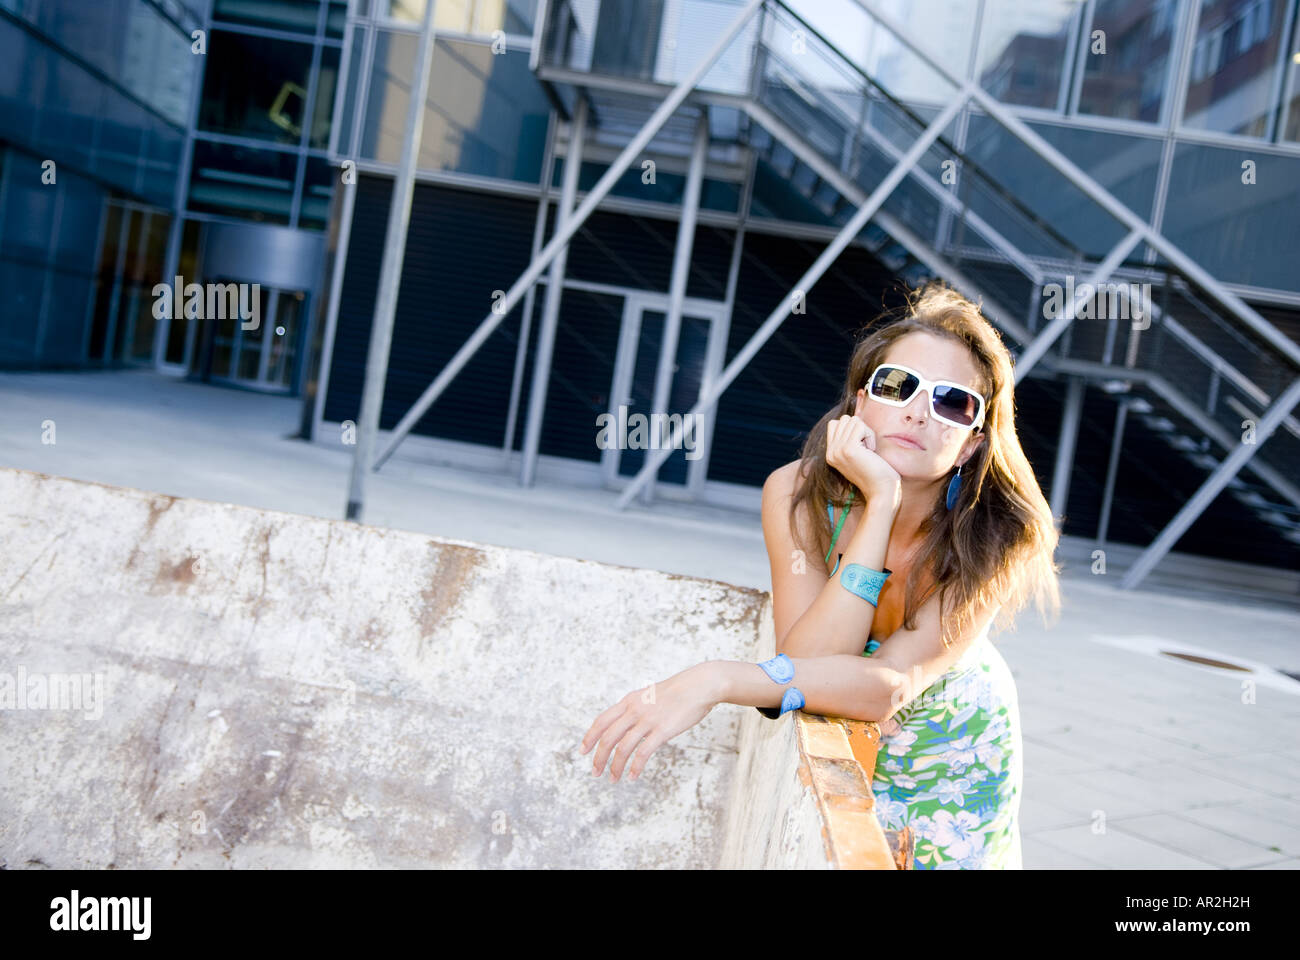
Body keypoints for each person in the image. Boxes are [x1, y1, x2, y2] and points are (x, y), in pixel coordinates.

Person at [579, 283, 1061, 869]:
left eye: (953, 402)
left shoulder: (999, 532)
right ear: (860, 404)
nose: (918, 410)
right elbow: (810, 655)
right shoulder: (796, 494)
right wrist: (878, 507)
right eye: (897, 385)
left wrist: (717, 678)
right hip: (845, 725)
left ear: (970, 443)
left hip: (954, 759)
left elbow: (889, 687)